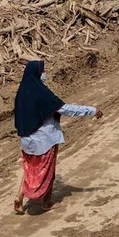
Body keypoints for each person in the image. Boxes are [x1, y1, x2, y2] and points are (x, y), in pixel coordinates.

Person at [13, 60, 102, 214]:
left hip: (27, 140)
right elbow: (65, 109)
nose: (44, 73)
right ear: (37, 73)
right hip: (45, 139)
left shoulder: (22, 91)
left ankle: (19, 197)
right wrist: (91, 110)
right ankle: (46, 202)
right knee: (48, 171)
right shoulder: (41, 93)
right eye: (43, 71)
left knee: (29, 168)